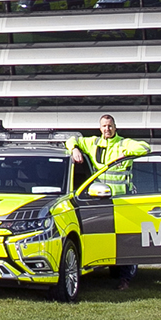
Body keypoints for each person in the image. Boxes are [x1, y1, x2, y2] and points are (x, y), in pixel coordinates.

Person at [66, 114, 152, 288]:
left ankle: (125, 279)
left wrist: (127, 152)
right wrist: (74, 149)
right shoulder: (93, 143)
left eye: (110, 126)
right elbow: (71, 139)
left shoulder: (123, 143)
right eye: (104, 126)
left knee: (125, 241)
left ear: (115, 127)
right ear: (100, 128)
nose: (107, 129)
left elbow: (146, 148)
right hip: (100, 200)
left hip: (121, 201)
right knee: (103, 237)